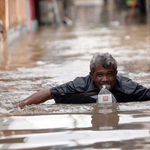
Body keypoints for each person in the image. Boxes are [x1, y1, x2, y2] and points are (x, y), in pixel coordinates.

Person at [13, 52, 150, 108]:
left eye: (110, 74)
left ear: (116, 74)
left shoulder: (128, 87)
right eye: (99, 75)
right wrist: (18, 106)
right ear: (91, 75)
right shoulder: (79, 85)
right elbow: (49, 93)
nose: (105, 80)